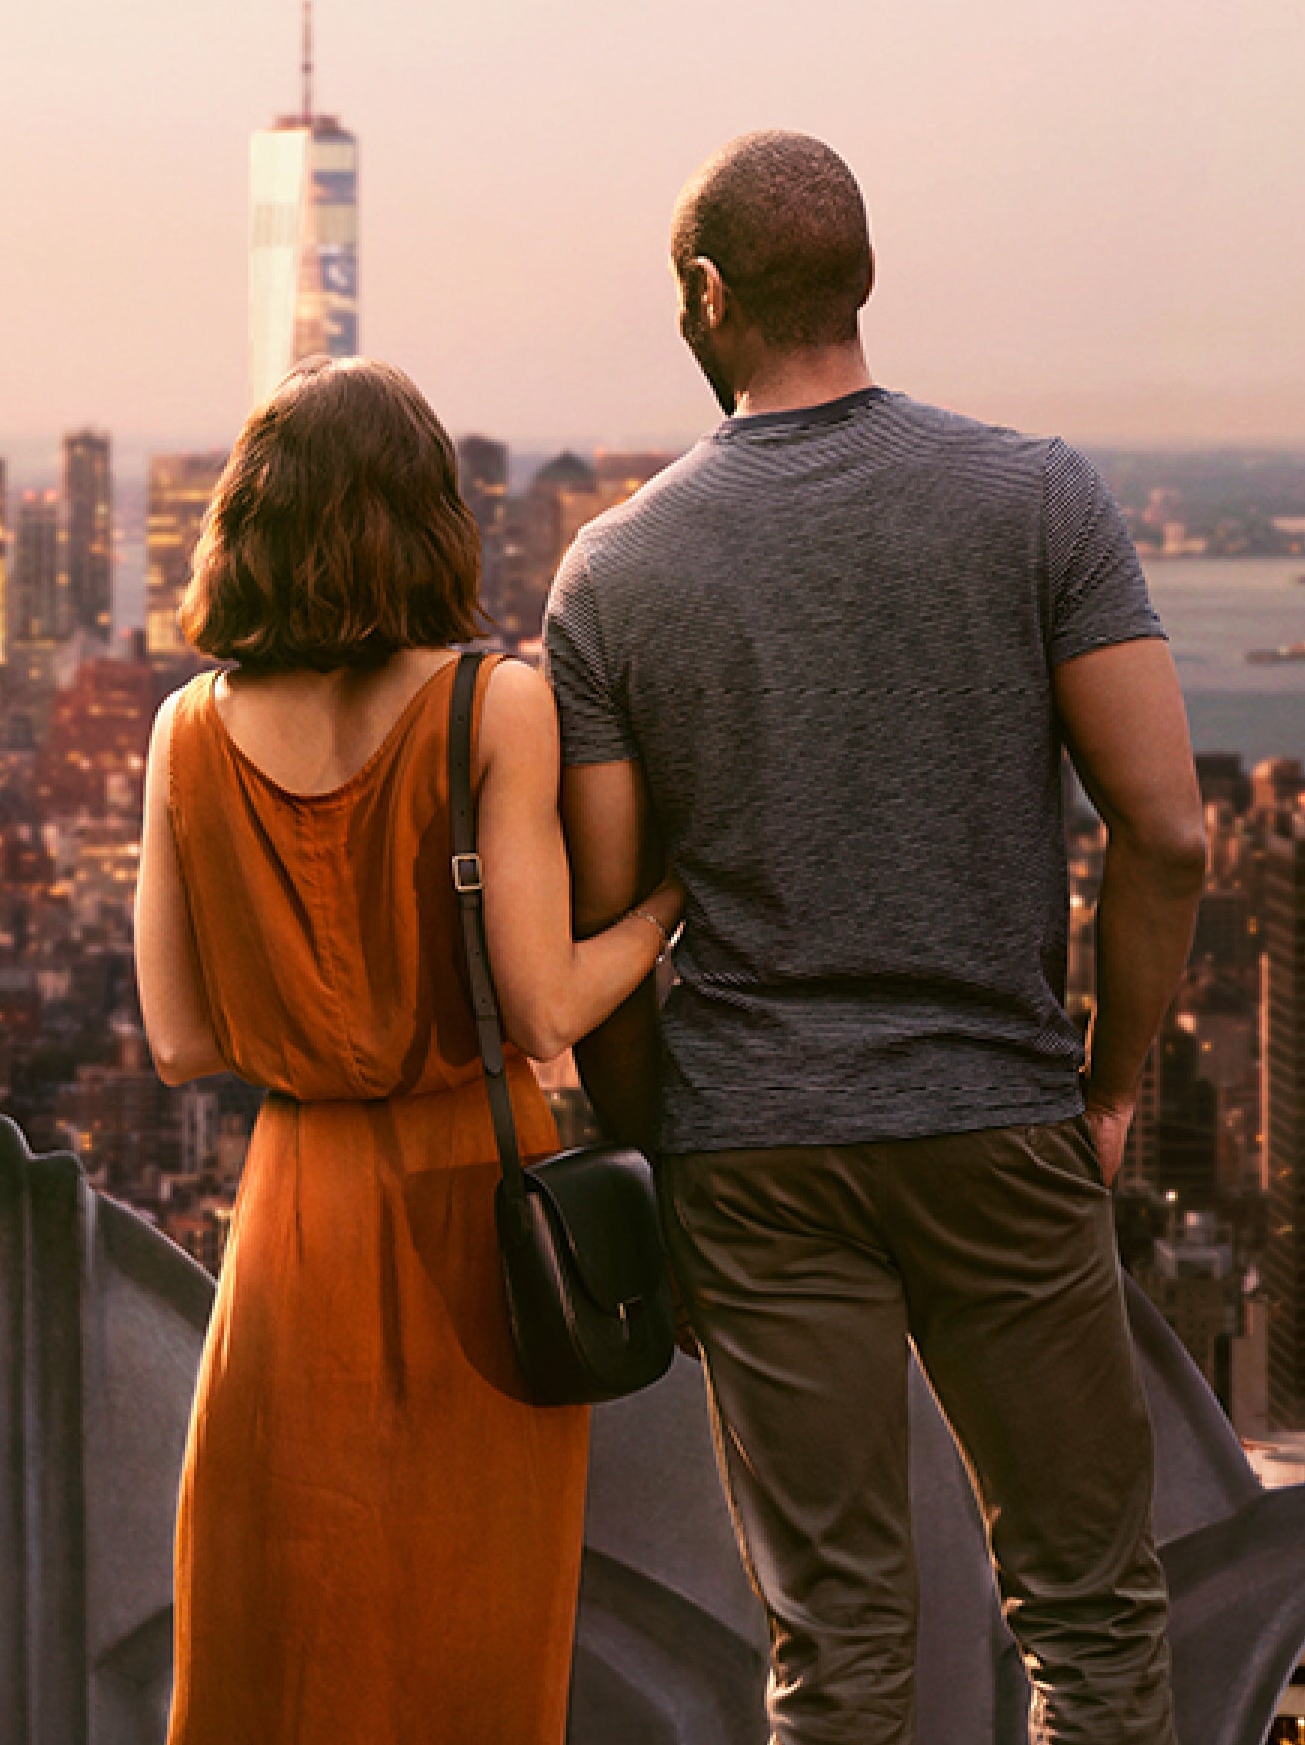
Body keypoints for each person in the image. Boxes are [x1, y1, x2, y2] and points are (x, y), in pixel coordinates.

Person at [545, 132, 1205, 1745]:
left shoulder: (614, 573)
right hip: (998, 1114)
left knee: (833, 1654)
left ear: (710, 295)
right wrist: (1105, 1091)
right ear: (860, 279)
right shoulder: (1038, 496)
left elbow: (613, 918)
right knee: (1093, 1620)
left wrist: (664, 1153)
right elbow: (1172, 832)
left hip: (755, 1151)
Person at [133, 357, 682, 1745]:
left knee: (285, 1648)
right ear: (429, 521)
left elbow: (180, 1037)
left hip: (288, 1229)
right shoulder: (493, 704)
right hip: (476, 1220)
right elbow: (549, 1007)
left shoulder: (185, 733)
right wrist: (675, 904)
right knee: (467, 1652)